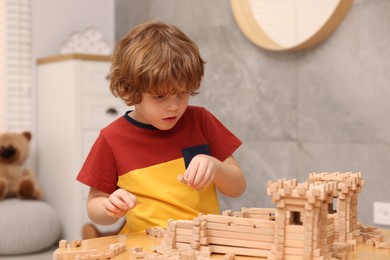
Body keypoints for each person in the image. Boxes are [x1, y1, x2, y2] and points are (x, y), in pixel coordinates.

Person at [76, 20, 246, 234]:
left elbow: (238, 187)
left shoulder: (201, 121)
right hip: (143, 247)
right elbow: (94, 204)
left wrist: (216, 167)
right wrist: (109, 206)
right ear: (131, 91)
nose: (174, 107)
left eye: (182, 93)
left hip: (201, 243)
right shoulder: (112, 138)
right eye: (159, 96)